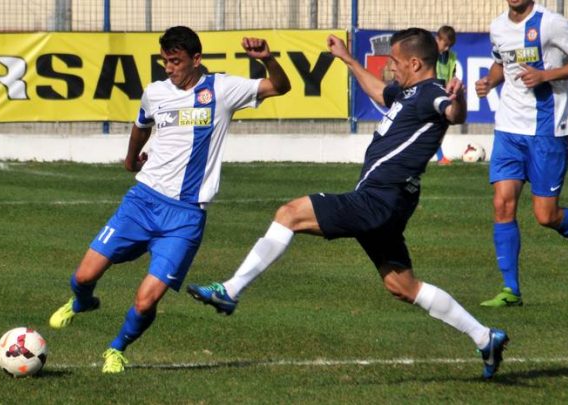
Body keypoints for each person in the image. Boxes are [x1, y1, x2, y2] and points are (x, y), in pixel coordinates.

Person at [188, 28, 509, 380]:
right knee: (402, 286)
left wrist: (458, 100)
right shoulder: (408, 93)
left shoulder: (433, 92)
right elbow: (380, 92)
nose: (391, 67)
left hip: (380, 199)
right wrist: (347, 59)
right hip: (389, 201)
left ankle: (231, 290)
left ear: (416, 63)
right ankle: (485, 337)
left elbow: (452, 113)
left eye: (395, 61)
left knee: (289, 214)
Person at [48, 26, 291, 373]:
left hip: (185, 217)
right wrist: (130, 160)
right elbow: (141, 124)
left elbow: (279, 87)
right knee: (84, 276)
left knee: (146, 301)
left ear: (196, 59)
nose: (169, 68)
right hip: (142, 202)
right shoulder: (156, 92)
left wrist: (267, 59)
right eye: (165, 61)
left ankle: (116, 349)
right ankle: (81, 302)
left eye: (175, 61)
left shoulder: (222, 89)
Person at [475, 0, 568, 307]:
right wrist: (489, 81)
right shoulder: (498, 26)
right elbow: (501, 63)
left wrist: (547, 76)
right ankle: (510, 290)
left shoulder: (551, 22)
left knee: (546, 215)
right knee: (502, 203)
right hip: (508, 129)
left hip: (547, 131)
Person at [434, 25, 458, 165]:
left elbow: (452, 76)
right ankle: (440, 157)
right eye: (445, 44)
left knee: (442, 125)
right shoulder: (428, 54)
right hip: (431, 94)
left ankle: (440, 157)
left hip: (444, 94)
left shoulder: (451, 57)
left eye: (450, 45)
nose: (447, 48)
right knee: (435, 126)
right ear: (437, 39)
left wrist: (452, 87)